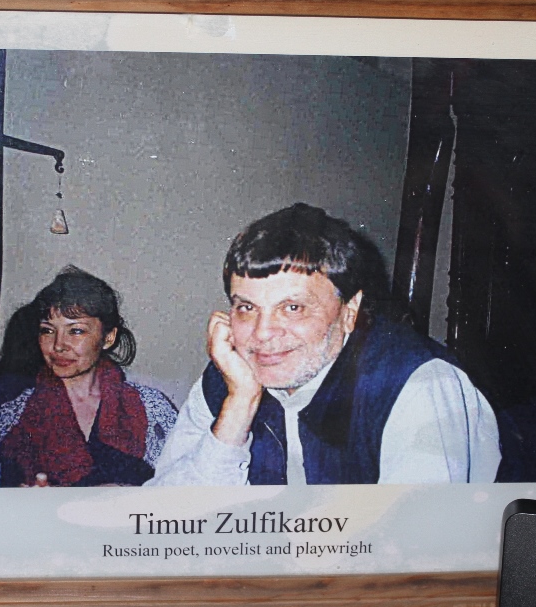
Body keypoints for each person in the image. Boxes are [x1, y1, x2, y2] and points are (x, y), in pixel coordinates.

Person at [146, 204, 500, 486]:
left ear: (349, 311)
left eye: (293, 308)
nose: (262, 334)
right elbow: (165, 522)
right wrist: (240, 405)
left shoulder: (415, 383)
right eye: (246, 308)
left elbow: (421, 549)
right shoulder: (229, 376)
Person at [0, 267, 177, 487]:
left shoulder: (151, 410)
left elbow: (184, 487)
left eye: (76, 331)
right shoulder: (7, 416)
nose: (58, 345)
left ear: (108, 338)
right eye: (47, 330)